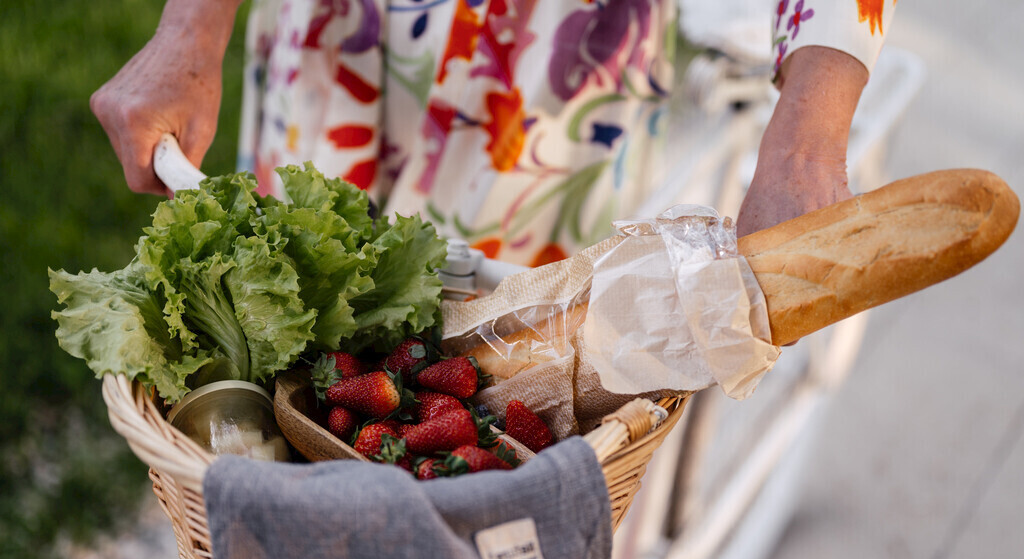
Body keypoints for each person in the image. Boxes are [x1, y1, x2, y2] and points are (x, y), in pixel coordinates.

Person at [91, 0, 896, 263]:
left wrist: (807, 140)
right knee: (292, 369)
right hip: (336, 44)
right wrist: (190, 33)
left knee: (504, 400)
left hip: (554, 79)